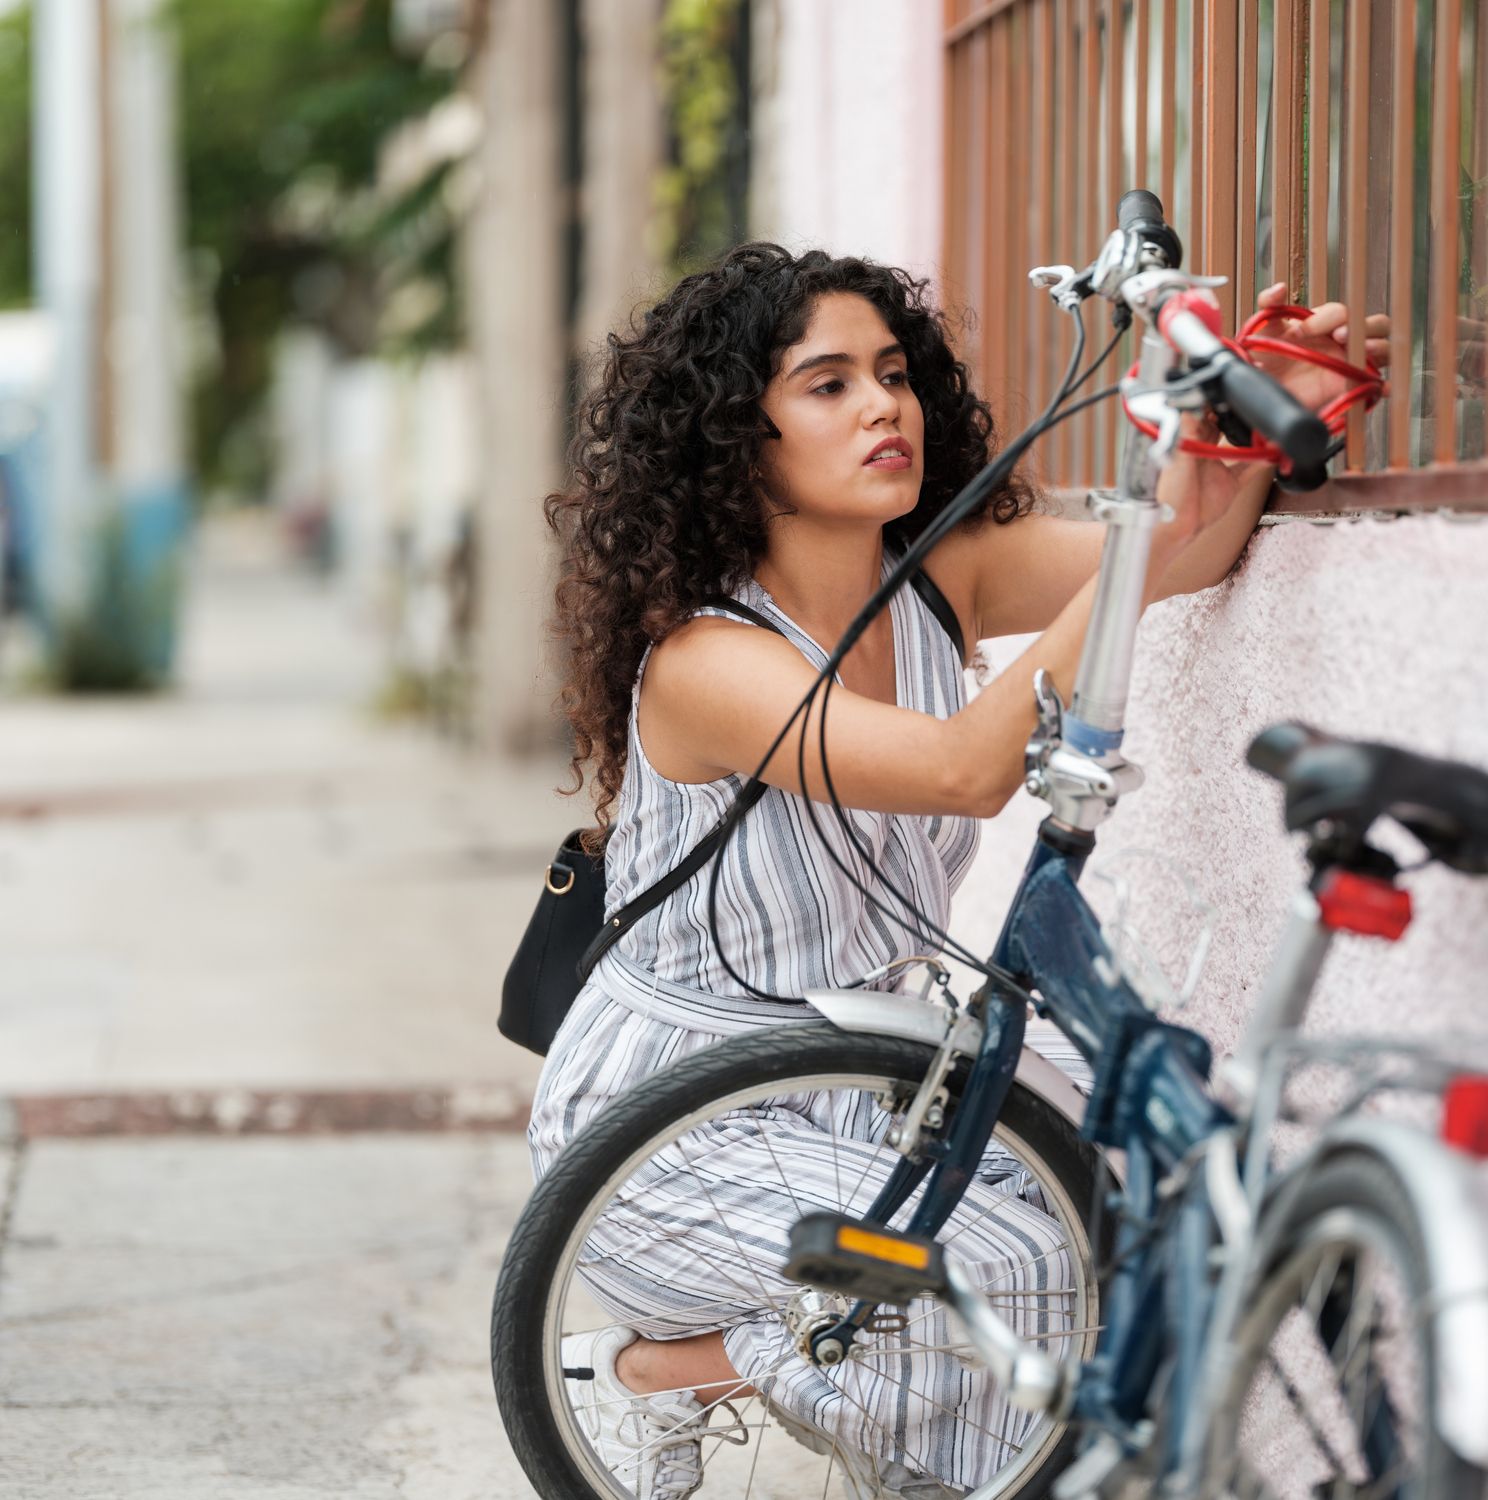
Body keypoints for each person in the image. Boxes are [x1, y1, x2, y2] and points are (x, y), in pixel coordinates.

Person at [525, 241, 1387, 1498]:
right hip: (676, 1116)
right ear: (735, 435)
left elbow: (1181, 559)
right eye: (826, 385)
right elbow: (957, 771)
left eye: (892, 373)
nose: (884, 406)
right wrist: (1135, 548)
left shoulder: (938, 574)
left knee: (1133, 1173)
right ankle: (683, 1362)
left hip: (868, 1066)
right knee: (993, 1266)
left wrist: (1263, 425)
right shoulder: (704, 662)